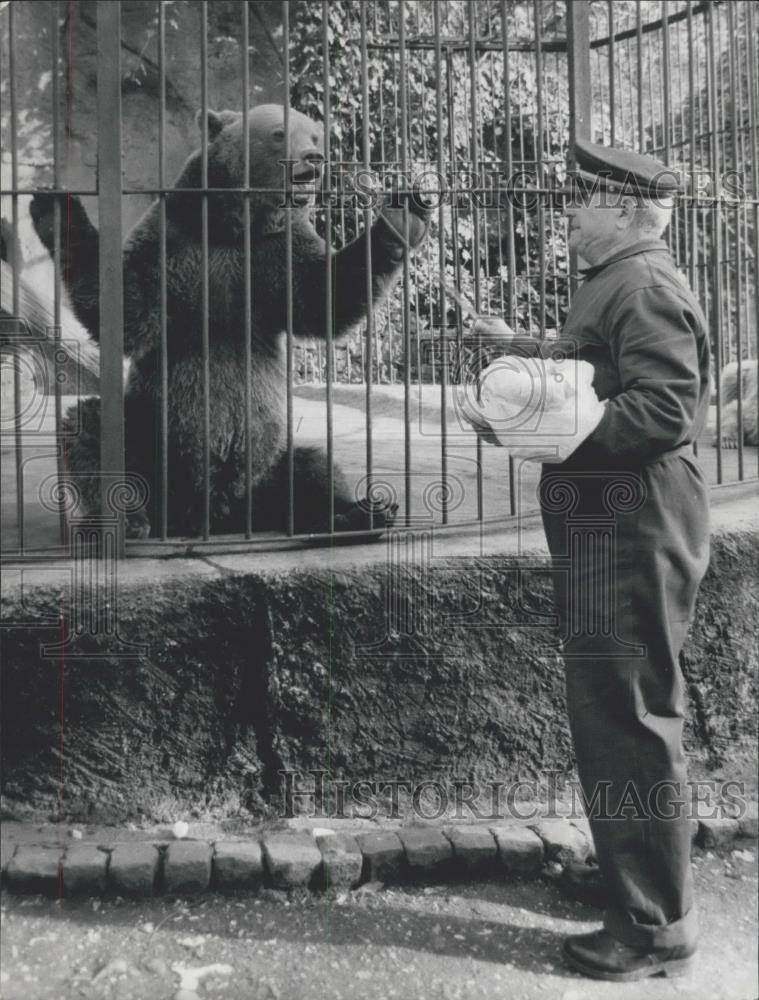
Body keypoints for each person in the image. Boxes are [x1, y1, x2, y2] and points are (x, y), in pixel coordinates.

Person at [463, 138, 711, 981]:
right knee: (607, 711)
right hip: (611, 523)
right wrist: (522, 349)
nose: (567, 215)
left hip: (636, 524)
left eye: (580, 201)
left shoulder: (642, 284)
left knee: (632, 717)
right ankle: (628, 878)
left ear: (622, 210)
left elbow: (663, 407)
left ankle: (653, 927)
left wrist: (538, 426)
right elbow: (597, 367)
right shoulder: (616, 281)